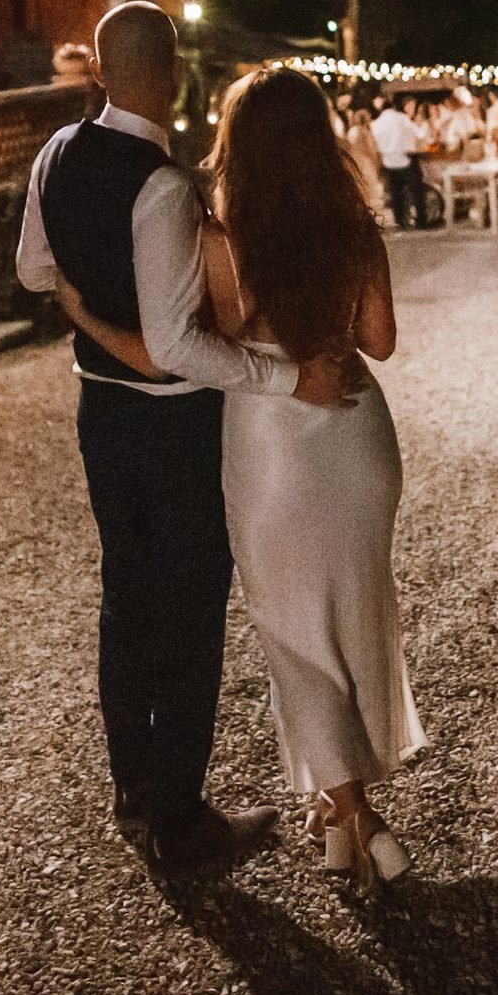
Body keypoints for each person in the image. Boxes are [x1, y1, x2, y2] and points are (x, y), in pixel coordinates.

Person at [60, 68, 426, 891]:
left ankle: (359, 814)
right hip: (360, 437)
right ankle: (338, 823)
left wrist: (85, 316)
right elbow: (382, 340)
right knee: (351, 617)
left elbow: (190, 348)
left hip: (272, 448)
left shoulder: (221, 242)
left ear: (240, 142)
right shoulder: (356, 230)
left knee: (293, 636)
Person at [16, 3, 356, 873]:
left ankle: (133, 791)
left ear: (97, 69)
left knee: (125, 600)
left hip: (100, 417)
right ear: (171, 74)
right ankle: (180, 817)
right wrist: (288, 377)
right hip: (169, 430)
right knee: (191, 612)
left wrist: (83, 310)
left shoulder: (57, 153)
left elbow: (32, 269)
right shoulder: (162, 185)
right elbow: (176, 351)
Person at [371, 97, 427, 230]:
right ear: (393, 107)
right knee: (416, 191)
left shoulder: (376, 123)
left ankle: (399, 221)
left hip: (388, 160)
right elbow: (419, 133)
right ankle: (420, 221)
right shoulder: (401, 118)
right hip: (406, 157)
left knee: (395, 192)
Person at [338, 91, 389, 225]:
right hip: (366, 162)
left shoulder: (354, 132)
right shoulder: (367, 133)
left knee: (364, 188)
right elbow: (372, 149)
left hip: (359, 162)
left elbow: (350, 146)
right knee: (369, 188)